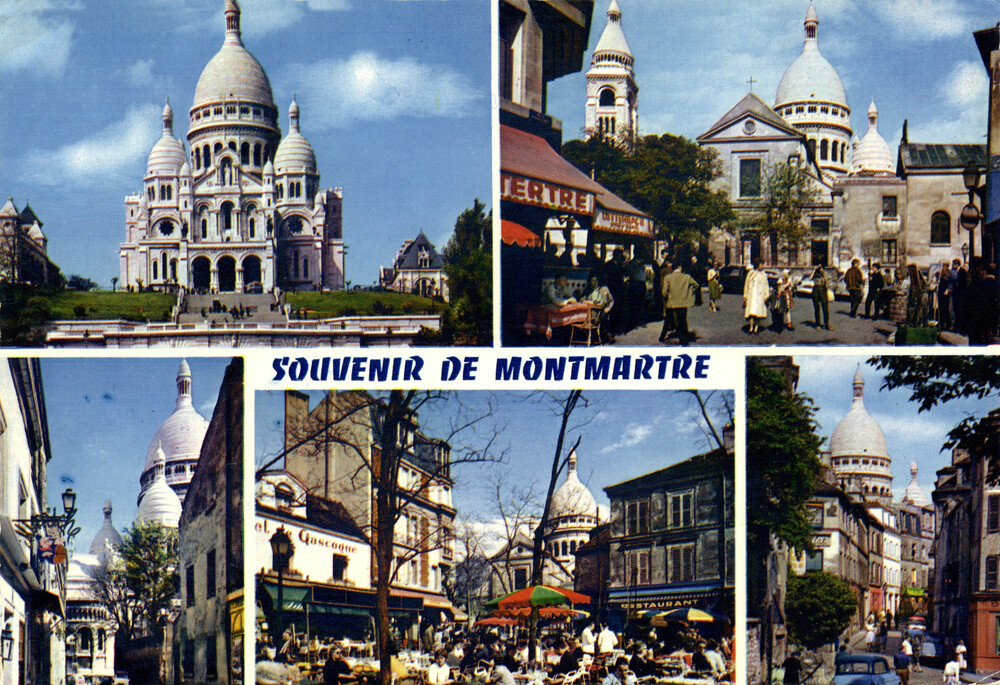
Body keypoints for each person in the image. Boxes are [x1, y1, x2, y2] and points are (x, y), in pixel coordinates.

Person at [660, 263, 699, 345]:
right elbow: (696, 285)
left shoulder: (668, 277)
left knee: (667, 320)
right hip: (683, 302)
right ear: (680, 268)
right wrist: (689, 292)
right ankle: (684, 340)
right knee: (683, 321)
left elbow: (663, 292)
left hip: (671, 302)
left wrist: (667, 297)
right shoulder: (687, 277)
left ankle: (662, 337)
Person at [743, 260, 769, 334]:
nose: (763, 266)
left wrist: (766, 295)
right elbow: (746, 284)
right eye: (761, 264)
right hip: (752, 294)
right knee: (751, 312)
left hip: (760, 295)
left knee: (758, 313)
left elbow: (766, 285)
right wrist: (745, 295)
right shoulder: (751, 273)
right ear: (758, 265)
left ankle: (756, 328)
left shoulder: (764, 274)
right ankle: (751, 328)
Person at [811, 265, 831, 329]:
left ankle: (826, 324)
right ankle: (818, 324)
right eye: (819, 267)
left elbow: (827, 281)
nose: (820, 269)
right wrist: (814, 270)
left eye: (821, 267)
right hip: (816, 289)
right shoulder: (815, 273)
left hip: (823, 289)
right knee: (817, 308)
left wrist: (823, 272)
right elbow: (810, 278)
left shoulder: (824, 274)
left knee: (825, 308)